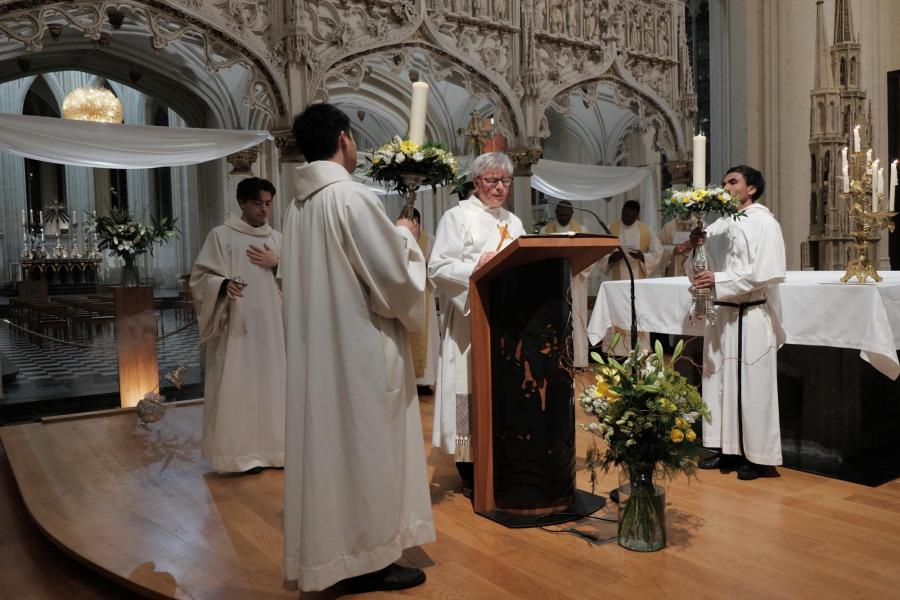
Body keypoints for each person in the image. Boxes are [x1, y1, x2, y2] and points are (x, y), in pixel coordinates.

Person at [280, 103, 434, 592]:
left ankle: (332, 556)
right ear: (345, 139)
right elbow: (393, 284)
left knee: (330, 452)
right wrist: (406, 238)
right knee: (366, 450)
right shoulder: (351, 198)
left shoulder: (297, 205)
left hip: (318, 352)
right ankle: (370, 559)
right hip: (359, 354)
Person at [429, 152, 526, 496]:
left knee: (503, 389)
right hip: (470, 322)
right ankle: (470, 467)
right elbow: (438, 267)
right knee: (469, 386)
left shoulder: (514, 223)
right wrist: (476, 267)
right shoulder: (457, 218)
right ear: (476, 183)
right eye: (492, 181)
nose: (500, 188)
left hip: (508, 319)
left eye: (505, 181)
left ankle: (505, 455)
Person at [687, 165, 786, 481]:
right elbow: (700, 270)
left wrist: (719, 278)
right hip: (721, 314)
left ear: (751, 189)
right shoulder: (718, 225)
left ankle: (758, 457)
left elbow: (764, 272)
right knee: (718, 385)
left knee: (753, 387)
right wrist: (697, 246)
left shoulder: (765, 223)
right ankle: (725, 448)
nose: (725, 186)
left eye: (733, 182)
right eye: (725, 181)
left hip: (749, 314)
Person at [189, 177, 285, 474]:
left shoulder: (278, 239)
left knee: (273, 384)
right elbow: (200, 278)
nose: (264, 210)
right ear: (242, 202)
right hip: (237, 327)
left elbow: (300, 278)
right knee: (238, 384)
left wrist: (278, 263)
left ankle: (275, 450)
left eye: (268, 203)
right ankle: (239, 455)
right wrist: (223, 286)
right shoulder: (221, 236)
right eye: (258, 203)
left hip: (272, 328)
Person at [597, 199, 662, 353]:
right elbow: (599, 254)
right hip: (617, 282)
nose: (627, 218)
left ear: (637, 216)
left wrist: (642, 257)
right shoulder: (611, 229)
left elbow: (658, 253)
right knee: (617, 313)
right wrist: (613, 258)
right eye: (625, 215)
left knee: (637, 313)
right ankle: (616, 350)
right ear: (622, 212)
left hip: (638, 281)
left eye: (631, 216)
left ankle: (641, 350)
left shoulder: (646, 230)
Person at [540, 200, 593, 367]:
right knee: (554, 319)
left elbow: (590, 256)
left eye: (567, 215)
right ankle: (553, 360)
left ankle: (578, 360)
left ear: (572, 214)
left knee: (576, 319)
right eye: (560, 214)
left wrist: (577, 267)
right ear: (555, 213)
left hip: (576, 281)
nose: (563, 217)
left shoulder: (582, 231)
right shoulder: (545, 231)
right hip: (552, 281)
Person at [402, 207, 440, 392]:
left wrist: (423, 269)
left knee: (428, 337)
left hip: (425, 294)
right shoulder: (398, 238)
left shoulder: (430, 240)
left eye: (412, 221)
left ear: (418, 222)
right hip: (406, 296)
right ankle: (407, 380)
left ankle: (426, 380)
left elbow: (436, 268)